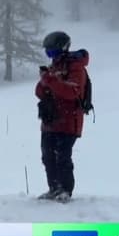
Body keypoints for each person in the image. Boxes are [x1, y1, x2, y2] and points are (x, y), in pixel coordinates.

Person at [35, 31, 89, 202]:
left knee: (62, 156)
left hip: (68, 121)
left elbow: (72, 92)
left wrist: (50, 81)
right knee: (47, 155)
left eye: (52, 52)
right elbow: (39, 92)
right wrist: (45, 80)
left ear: (63, 49)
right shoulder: (54, 68)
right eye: (47, 53)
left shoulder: (75, 67)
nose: (50, 56)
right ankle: (54, 188)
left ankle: (65, 190)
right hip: (51, 120)